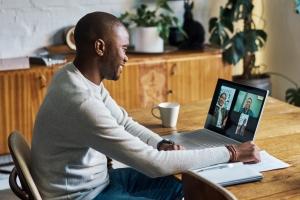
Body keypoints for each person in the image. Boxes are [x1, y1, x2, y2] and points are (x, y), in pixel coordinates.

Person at [31, 12, 261, 200]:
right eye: (123, 48)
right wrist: (232, 152)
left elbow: (123, 121)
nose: (126, 57)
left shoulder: (72, 76)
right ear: (100, 47)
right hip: (83, 195)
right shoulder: (81, 103)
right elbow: (154, 165)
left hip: (99, 181)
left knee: (186, 189)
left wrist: (160, 143)